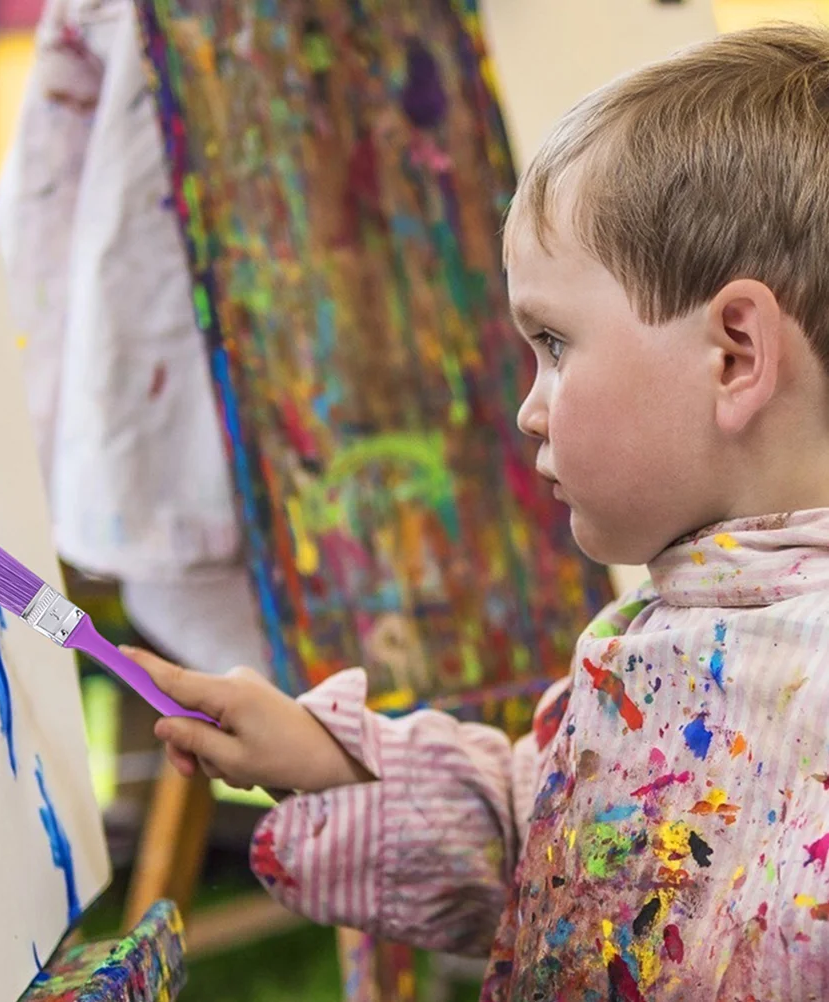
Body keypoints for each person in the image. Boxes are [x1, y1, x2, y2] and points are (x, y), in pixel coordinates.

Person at [123, 23, 829, 1000]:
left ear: (735, 356)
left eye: (554, 344)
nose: (528, 409)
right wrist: (327, 758)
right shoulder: (656, 638)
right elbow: (550, 836)